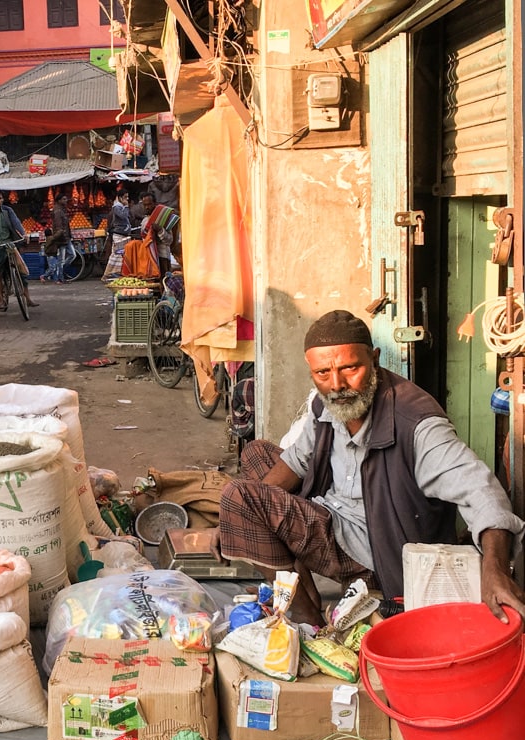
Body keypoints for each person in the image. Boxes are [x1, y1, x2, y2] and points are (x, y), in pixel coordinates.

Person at [216, 309, 525, 625]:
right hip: (331, 511)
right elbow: (296, 461)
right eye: (323, 374)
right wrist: (235, 521)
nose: (337, 385)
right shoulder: (326, 404)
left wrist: (495, 570)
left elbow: (482, 491)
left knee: (240, 496)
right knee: (256, 455)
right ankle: (301, 591)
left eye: (350, 368)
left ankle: (309, 622)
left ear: (374, 359)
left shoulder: (415, 424)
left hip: (378, 550)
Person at [0, 191, 38, 312]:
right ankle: (0, 300)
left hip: (10, 242)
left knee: (21, 270)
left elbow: (16, 222)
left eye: (0, 198)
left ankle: (27, 298)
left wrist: (23, 233)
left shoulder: (8, 210)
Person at [141, 192, 174, 277]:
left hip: (162, 257)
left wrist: (160, 230)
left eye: (149, 204)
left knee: (163, 283)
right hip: (148, 259)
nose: (147, 207)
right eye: (145, 205)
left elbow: (169, 240)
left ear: (155, 204)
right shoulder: (145, 221)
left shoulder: (164, 218)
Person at [102, 189, 132, 281]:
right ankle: (107, 274)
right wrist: (126, 206)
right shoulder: (117, 207)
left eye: (127, 197)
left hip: (123, 233)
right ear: (119, 198)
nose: (127, 199)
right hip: (118, 234)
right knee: (116, 254)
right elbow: (123, 216)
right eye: (125, 197)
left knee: (121, 254)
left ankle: (115, 273)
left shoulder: (121, 207)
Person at [52, 193, 76, 284]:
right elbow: (59, 226)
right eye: (64, 199)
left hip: (66, 237)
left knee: (72, 255)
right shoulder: (57, 211)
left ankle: (61, 272)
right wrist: (61, 236)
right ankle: (59, 277)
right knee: (61, 259)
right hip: (61, 238)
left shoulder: (62, 210)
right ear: (59, 200)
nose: (66, 201)